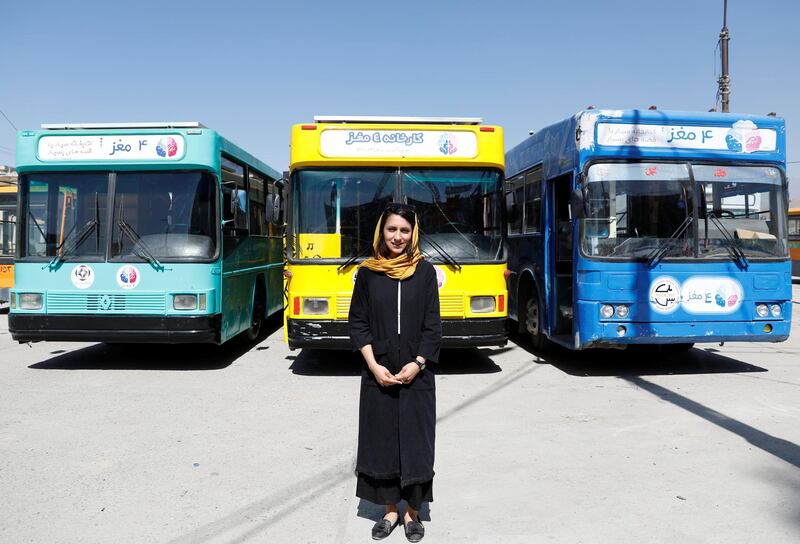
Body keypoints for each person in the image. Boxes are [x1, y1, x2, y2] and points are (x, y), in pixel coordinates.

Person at [349, 203, 442, 542]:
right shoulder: (369, 272)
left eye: (404, 230)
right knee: (383, 441)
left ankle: (413, 514)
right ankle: (390, 511)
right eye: (392, 229)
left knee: (418, 444)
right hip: (379, 372)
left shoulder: (425, 272)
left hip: (417, 373)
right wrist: (374, 366)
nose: (398, 237)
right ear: (381, 231)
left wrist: (418, 364)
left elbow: (433, 326)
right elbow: (357, 322)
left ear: (413, 234)